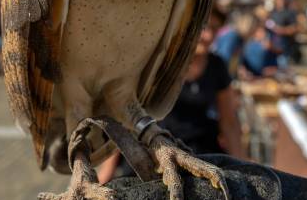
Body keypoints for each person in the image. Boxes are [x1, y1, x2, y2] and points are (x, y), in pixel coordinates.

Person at [98, 11, 245, 183]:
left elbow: (229, 122)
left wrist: (242, 165)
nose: (208, 36)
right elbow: (125, 118)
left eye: (214, 29)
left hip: (200, 151)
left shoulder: (216, 65)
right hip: (155, 150)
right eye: (203, 28)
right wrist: (106, 171)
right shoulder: (159, 65)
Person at [267, 0, 300, 67]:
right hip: (272, 51)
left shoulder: (290, 12)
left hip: (285, 52)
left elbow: (295, 28)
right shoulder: (272, 12)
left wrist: (279, 30)